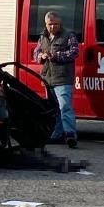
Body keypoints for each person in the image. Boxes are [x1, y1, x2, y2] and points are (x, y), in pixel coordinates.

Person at [34, 11, 79, 148]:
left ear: (60, 24)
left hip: (63, 78)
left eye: (55, 24)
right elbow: (36, 53)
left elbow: (74, 52)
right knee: (55, 109)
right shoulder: (43, 37)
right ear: (45, 24)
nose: (53, 27)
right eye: (50, 24)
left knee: (65, 107)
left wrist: (56, 56)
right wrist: (41, 56)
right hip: (48, 79)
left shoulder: (69, 36)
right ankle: (57, 134)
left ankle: (70, 134)